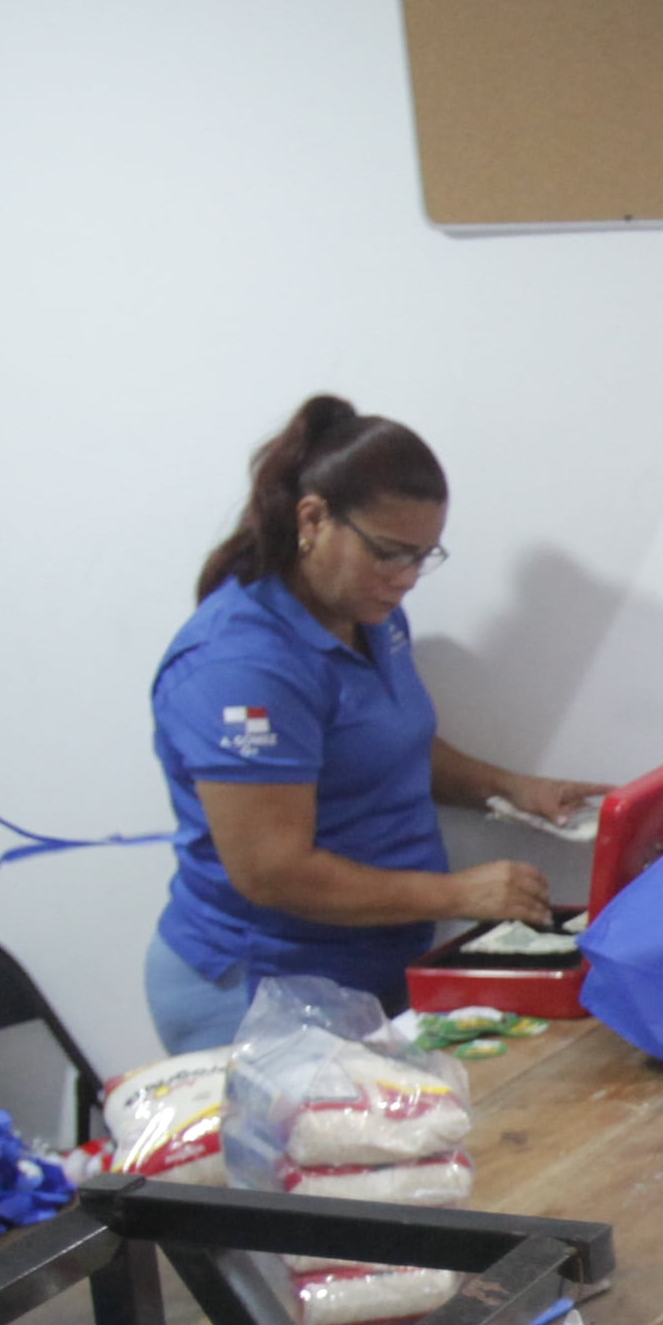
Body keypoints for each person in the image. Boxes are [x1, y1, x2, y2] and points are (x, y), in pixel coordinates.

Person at [146, 397, 599, 1054]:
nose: (407, 579)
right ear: (313, 518)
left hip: (370, 969)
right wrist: (459, 893)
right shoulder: (242, 665)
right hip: (263, 987)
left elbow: (389, 741)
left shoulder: (370, 615)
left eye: (424, 556)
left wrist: (511, 788)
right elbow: (273, 871)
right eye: (390, 554)